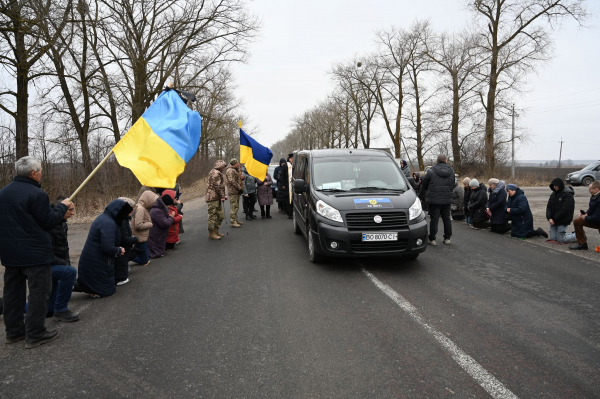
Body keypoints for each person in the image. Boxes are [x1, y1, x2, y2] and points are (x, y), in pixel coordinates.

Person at [0, 156, 72, 348]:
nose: (41, 173)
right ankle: (36, 333)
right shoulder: (37, 194)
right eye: (40, 170)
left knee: (12, 294)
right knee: (39, 293)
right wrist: (62, 207)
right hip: (35, 255)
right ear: (33, 173)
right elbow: (48, 221)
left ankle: (13, 332)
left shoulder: (3, 192)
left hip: (10, 253)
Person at [75, 199, 131, 298]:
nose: (127, 216)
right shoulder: (109, 223)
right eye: (125, 214)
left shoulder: (106, 218)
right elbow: (107, 247)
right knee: (107, 291)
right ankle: (66, 287)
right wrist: (119, 250)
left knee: (105, 287)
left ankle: (73, 286)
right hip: (97, 260)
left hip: (96, 259)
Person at [47, 197, 79, 322]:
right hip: (43, 267)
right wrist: (66, 266)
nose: (73, 213)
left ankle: (3, 306)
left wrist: (66, 264)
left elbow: (63, 249)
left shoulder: (62, 224)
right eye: (70, 210)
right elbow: (47, 254)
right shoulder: (49, 226)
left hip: (54, 265)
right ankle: (61, 309)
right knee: (69, 272)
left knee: (48, 309)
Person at [418, 154, 455, 245]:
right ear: (446, 161)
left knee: (434, 219)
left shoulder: (431, 171)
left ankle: (432, 239)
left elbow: (425, 185)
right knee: (446, 218)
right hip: (446, 198)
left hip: (434, 199)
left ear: (437, 161)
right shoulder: (451, 171)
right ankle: (447, 238)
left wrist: (421, 197)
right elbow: (452, 183)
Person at [569, 181, 600, 250]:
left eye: (590, 189)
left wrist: (585, 218)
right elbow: (591, 209)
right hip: (596, 219)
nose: (589, 191)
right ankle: (582, 244)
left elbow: (597, 217)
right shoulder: (594, 196)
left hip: (598, 219)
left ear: (596, 190)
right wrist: (586, 213)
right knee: (577, 221)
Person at [130, 190, 159, 265]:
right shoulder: (141, 209)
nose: (153, 203)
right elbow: (138, 225)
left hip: (139, 236)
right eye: (153, 201)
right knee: (145, 260)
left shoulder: (138, 207)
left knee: (144, 257)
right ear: (148, 200)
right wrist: (150, 224)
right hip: (139, 237)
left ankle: (128, 256)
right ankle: (126, 257)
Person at [114, 197, 138, 286]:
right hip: (123, 250)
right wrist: (135, 239)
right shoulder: (122, 222)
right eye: (131, 210)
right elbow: (124, 239)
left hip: (125, 250)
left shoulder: (125, 220)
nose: (132, 212)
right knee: (121, 265)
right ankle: (120, 278)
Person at [545, 177, 575, 244]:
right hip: (553, 220)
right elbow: (549, 207)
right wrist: (549, 218)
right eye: (553, 186)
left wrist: (555, 219)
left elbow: (565, 210)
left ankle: (576, 235)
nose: (554, 187)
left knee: (561, 240)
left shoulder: (568, 195)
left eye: (556, 185)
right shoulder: (553, 194)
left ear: (560, 185)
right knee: (553, 239)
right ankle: (565, 234)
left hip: (562, 220)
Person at [206, 160, 228, 240]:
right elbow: (218, 186)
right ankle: (211, 233)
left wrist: (222, 195)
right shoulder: (215, 173)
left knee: (220, 215)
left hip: (216, 197)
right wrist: (223, 196)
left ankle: (216, 230)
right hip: (212, 198)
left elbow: (219, 187)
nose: (224, 168)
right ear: (220, 166)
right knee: (213, 216)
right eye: (223, 166)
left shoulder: (217, 172)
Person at [225, 158, 243, 228]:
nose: (238, 164)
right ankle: (233, 221)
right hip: (233, 191)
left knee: (236, 206)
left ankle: (235, 219)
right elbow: (232, 181)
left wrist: (241, 178)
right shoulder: (230, 171)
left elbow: (236, 179)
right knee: (233, 206)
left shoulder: (234, 170)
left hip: (236, 191)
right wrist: (239, 187)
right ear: (234, 163)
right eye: (237, 163)